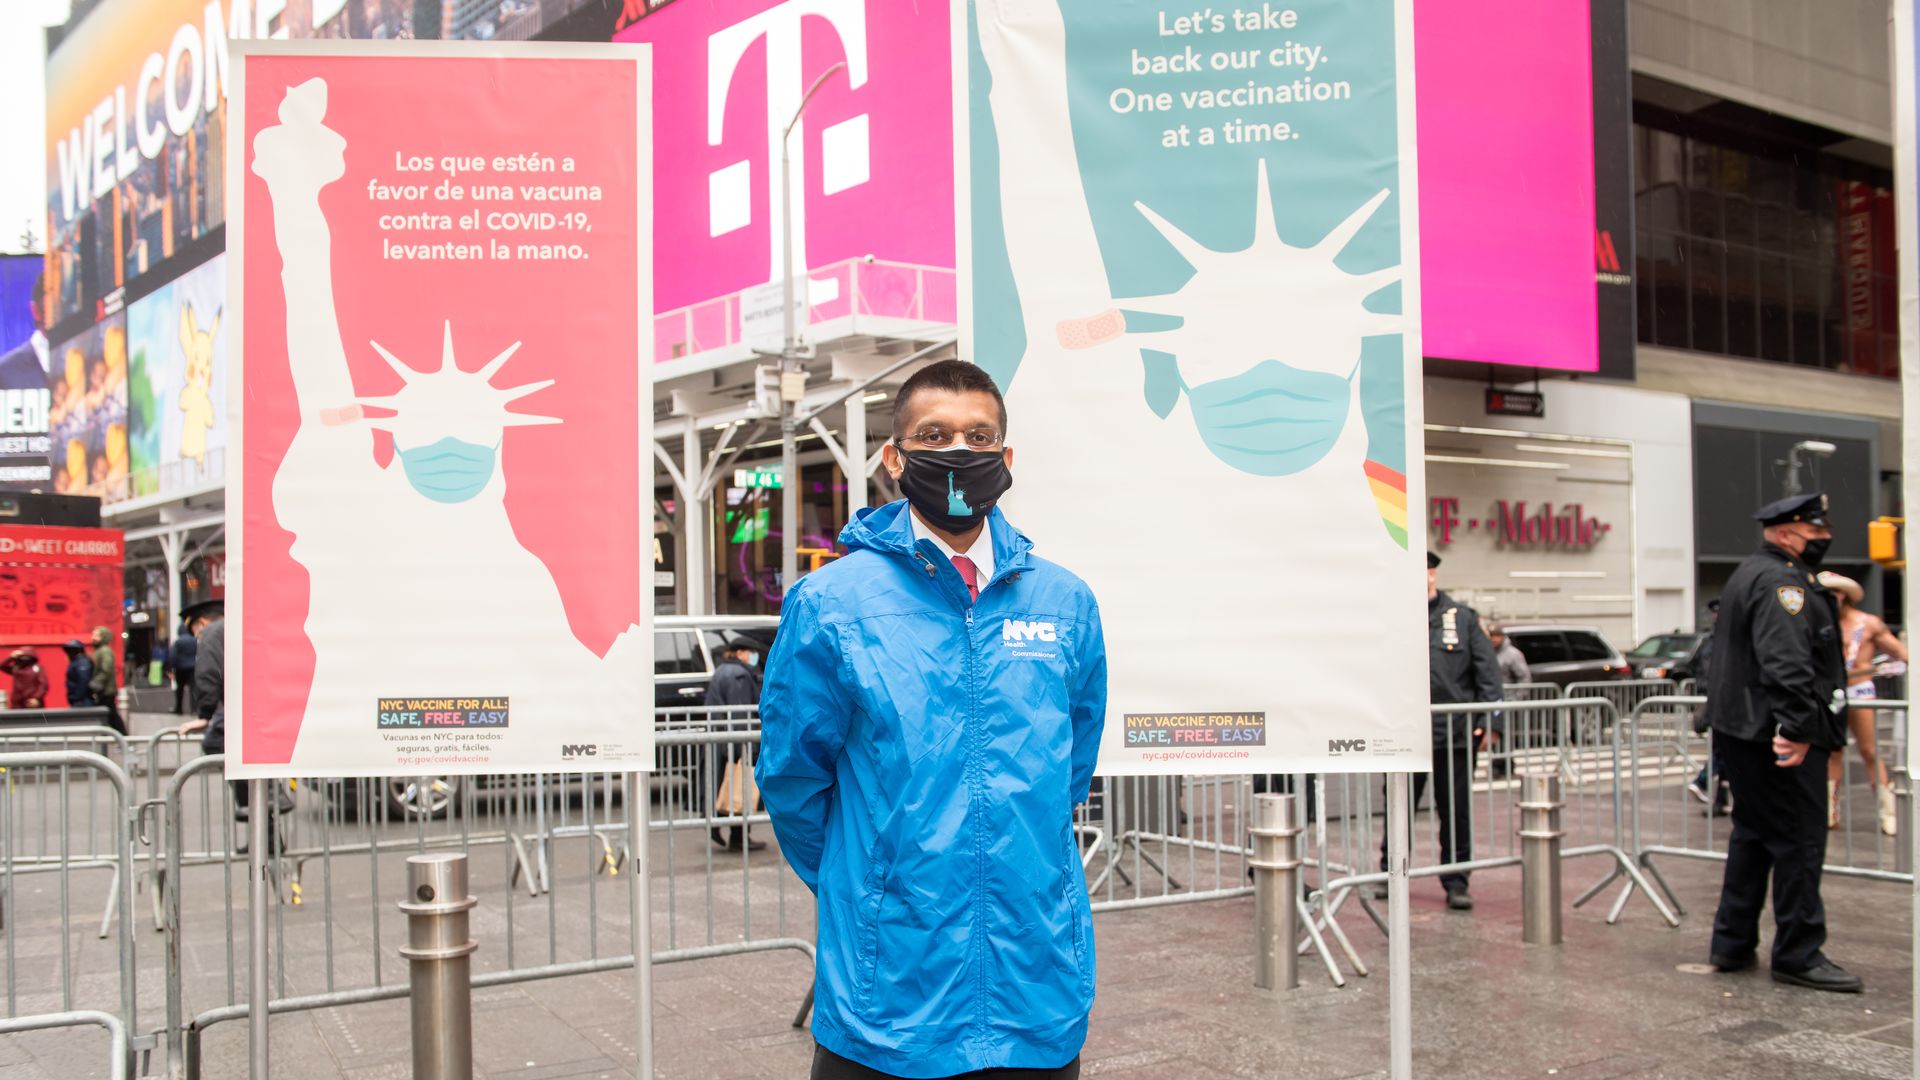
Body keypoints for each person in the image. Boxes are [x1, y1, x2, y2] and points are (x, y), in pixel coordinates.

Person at [757, 359, 1107, 1080]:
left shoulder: (1066, 603)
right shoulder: (830, 604)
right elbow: (793, 781)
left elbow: (1069, 770)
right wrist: (878, 881)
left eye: (979, 437)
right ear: (895, 457)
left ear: (1005, 459)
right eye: (934, 434)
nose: (958, 453)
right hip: (888, 999)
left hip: (1033, 986)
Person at [1704, 492, 1859, 993]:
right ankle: (1798, 952)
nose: (1824, 540)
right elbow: (1786, 662)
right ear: (1788, 534)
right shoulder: (1780, 582)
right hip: (1772, 734)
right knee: (1798, 839)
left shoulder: (1752, 572)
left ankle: (1731, 942)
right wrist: (1796, 730)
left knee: (1753, 835)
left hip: (1742, 728)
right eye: (1816, 533)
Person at [1378, 551, 1502, 910]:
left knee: (1455, 811)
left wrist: (1490, 723)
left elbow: (1489, 677)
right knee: (1398, 807)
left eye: (1427, 571)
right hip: (1406, 735)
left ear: (1433, 575)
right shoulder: (1396, 619)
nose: (1423, 578)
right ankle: (1391, 873)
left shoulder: (1462, 619)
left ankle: (1457, 880)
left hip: (1455, 736)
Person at [1816, 571, 1907, 836]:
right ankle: (1829, 812)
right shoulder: (1822, 623)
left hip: (1860, 689)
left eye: (1834, 593)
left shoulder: (1868, 623)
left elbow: (1901, 652)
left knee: (1869, 750)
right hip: (1832, 692)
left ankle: (1887, 812)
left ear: (1843, 595)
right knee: (1832, 751)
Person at [705, 635, 765, 852]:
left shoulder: (724, 670)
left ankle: (727, 830)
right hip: (736, 741)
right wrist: (746, 747)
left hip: (723, 740)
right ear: (740, 653)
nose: (754, 657)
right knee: (740, 787)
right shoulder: (738, 675)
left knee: (730, 786)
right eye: (751, 652)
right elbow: (741, 714)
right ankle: (738, 837)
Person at [87, 625, 122, 734]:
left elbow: (106, 669)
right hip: (105, 689)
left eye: (97, 635)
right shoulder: (100, 651)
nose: (93, 637)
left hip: (106, 690)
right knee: (111, 716)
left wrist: (96, 682)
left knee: (112, 716)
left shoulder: (104, 651)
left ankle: (123, 738)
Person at [169, 620, 199, 716]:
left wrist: (171, 668)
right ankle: (194, 709)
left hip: (180, 668)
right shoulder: (194, 640)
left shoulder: (178, 642)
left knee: (180, 690)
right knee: (193, 689)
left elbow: (173, 656)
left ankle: (179, 709)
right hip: (192, 668)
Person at [61, 639, 92, 709]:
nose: (68, 653)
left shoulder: (82, 662)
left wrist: (76, 697)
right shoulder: (76, 662)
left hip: (82, 701)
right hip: (79, 700)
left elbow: (83, 680)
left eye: (70, 650)